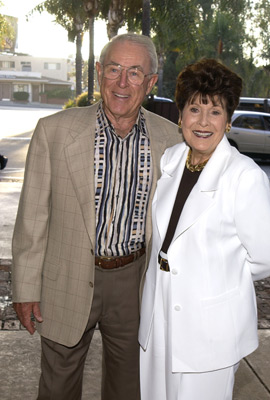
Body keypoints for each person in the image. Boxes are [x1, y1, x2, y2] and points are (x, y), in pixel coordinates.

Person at [12, 33, 181, 400]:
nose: (122, 83)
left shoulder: (172, 141)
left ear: (150, 83)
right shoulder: (54, 132)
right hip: (67, 275)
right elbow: (32, 219)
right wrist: (25, 289)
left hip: (135, 283)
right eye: (114, 70)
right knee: (57, 387)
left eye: (135, 73)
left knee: (129, 389)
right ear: (99, 72)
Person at [139, 58, 270, 400]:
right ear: (181, 116)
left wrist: (218, 275)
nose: (203, 122)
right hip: (159, 312)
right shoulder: (173, 159)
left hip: (209, 326)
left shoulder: (243, 176)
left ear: (229, 121)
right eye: (194, 109)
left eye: (215, 112)